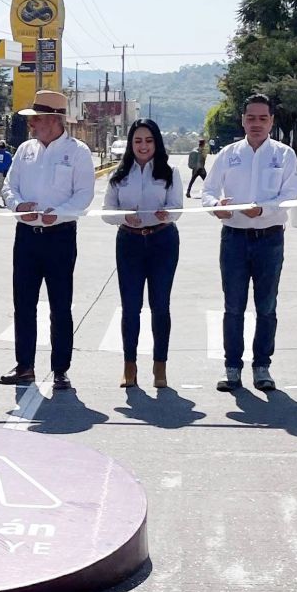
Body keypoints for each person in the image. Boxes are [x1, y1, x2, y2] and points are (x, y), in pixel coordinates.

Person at [201, 94, 297, 392]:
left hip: (269, 240)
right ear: (242, 119)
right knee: (233, 306)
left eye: (263, 118)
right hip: (234, 239)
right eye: (251, 118)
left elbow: (289, 196)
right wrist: (216, 205)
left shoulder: (284, 155)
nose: (256, 123)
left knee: (266, 307)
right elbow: (207, 191)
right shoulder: (228, 154)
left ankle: (262, 368)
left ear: (271, 121)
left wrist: (264, 210)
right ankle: (232, 368)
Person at [0, 90, 95, 390]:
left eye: (36, 119)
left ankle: (60, 369)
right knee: (23, 303)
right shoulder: (25, 150)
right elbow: (9, 186)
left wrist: (61, 214)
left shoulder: (78, 152)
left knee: (60, 305)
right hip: (27, 235)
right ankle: (24, 365)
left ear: (54, 120)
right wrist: (17, 206)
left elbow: (84, 194)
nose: (31, 125)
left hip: (60, 236)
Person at [102, 119, 182, 389]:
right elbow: (107, 212)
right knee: (131, 307)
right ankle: (129, 366)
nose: (143, 146)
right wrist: (124, 217)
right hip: (129, 242)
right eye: (138, 141)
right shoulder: (120, 174)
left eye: (148, 140)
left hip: (163, 241)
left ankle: (160, 367)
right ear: (130, 144)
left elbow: (178, 208)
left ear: (156, 142)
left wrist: (166, 214)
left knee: (160, 305)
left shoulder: (169, 172)